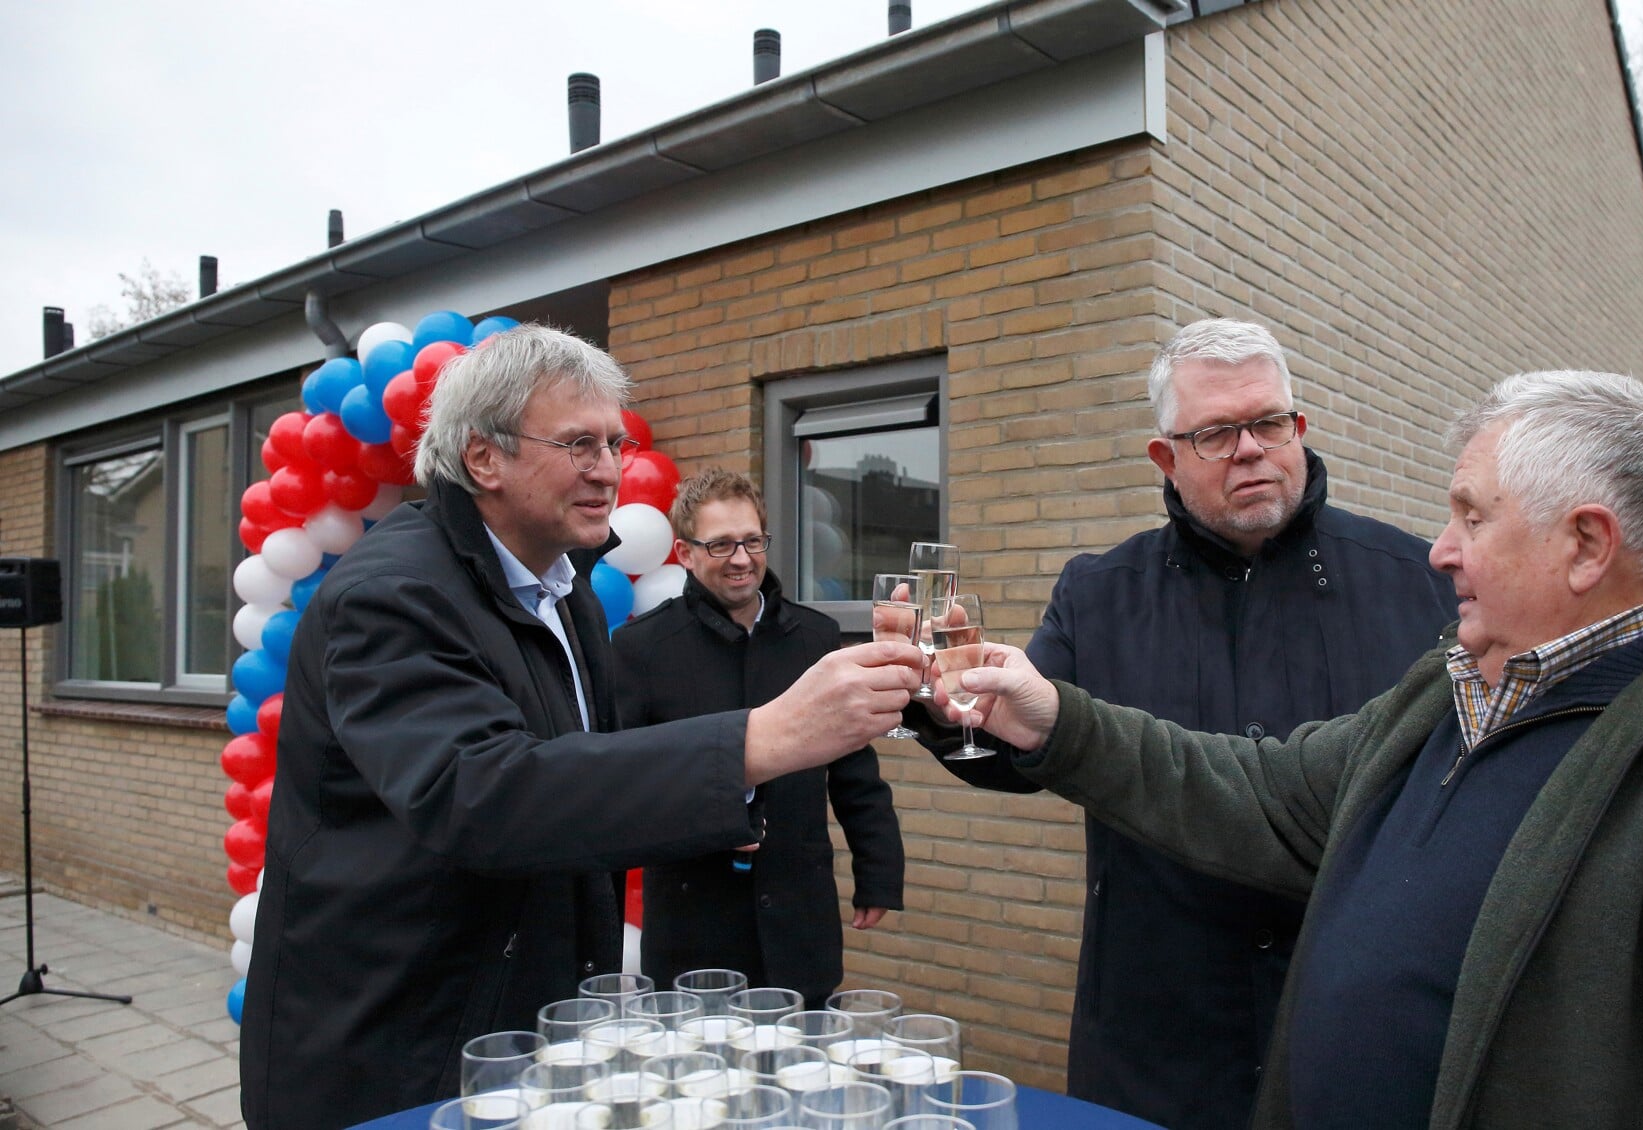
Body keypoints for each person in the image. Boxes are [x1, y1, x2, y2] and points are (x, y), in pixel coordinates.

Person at [947, 370, 1643, 1128]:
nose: (1438, 550)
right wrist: (1052, 718)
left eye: (1472, 514)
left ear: (1586, 545)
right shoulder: (1450, 695)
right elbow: (1264, 790)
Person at [239, 326, 921, 1128]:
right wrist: (757, 741)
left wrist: (712, 809)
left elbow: (579, 775)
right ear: (483, 458)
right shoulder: (393, 593)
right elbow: (483, 794)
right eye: (578, 444)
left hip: (524, 1036)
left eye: (614, 443)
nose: (609, 468)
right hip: (398, 1050)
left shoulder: (563, 590)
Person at [918, 318, 1454, 1128]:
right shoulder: (1100, 594)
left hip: (1353, 1032)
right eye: (1213, 433)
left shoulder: (1417, 585)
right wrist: (952, 706)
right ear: (1164, 457)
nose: (1250, 449)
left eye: (1270, 423)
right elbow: (1021, 750)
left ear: (1298, 428)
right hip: (1155, 1035)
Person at [611, 467, 904, 1009]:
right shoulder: (640, 650)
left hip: (800, 916)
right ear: (683, 552)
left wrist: (879, 871)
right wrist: (707, 817)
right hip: (694, 929)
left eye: (751, 540)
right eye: (720, 544)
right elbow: (624, 787)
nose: (742, 558)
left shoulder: (817, 636)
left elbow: (853, 765)